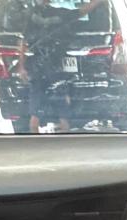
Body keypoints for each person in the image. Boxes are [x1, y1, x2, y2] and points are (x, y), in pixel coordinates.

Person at [20, 0, 107, 133]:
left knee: (36, 110)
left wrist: (22, 66)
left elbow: (23, 43)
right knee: (60, 107)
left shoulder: (32, 16)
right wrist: (96, 2)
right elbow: (82, 11)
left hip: (39, 67)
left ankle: (36, 138)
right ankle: (63, 136)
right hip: (55, 67)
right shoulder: (59, 14)